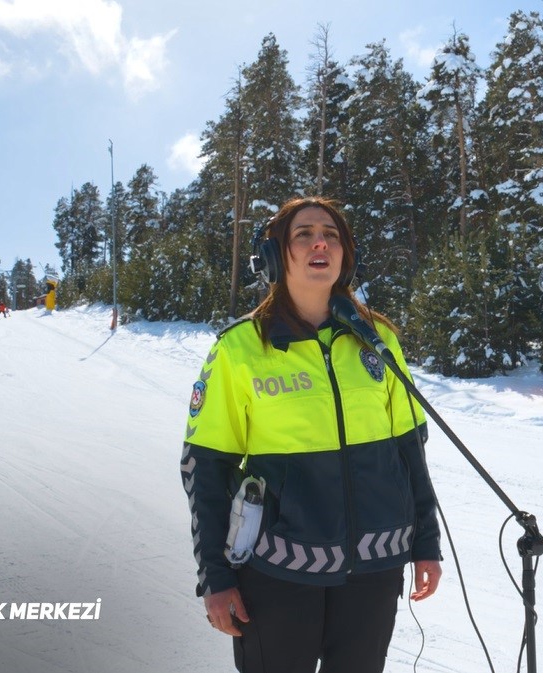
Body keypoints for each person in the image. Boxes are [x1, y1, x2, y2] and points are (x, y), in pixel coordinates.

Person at [180, 196, 442, 673]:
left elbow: (410, 453)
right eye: (303, 234)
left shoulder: (377, 339)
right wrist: (215, 576)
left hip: (375, 567)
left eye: (331, 235)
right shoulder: (240, 348)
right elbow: (205, 469)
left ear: (346, 256)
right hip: (277, 570)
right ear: (275, 256)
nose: (320, 243)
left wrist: (425, 544)